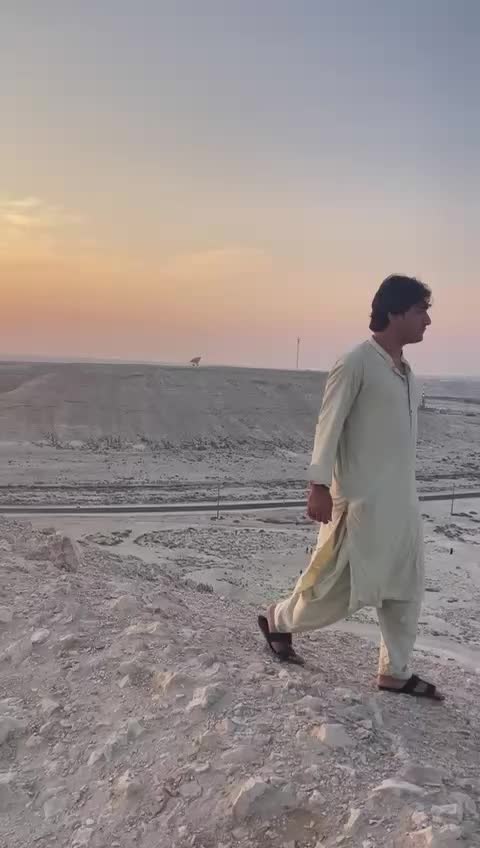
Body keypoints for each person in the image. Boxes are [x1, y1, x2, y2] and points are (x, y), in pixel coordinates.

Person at [258, 275, 444, 701]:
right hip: (362, 505)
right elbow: (329, 426)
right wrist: (319, 484)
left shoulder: (407, 373)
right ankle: (277, 620)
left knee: (406, 590)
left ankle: (395, 672)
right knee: (337, 590)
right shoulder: (356, 363)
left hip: (402, 505)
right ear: (395, 312)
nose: (428, 321)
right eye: (421, 311)